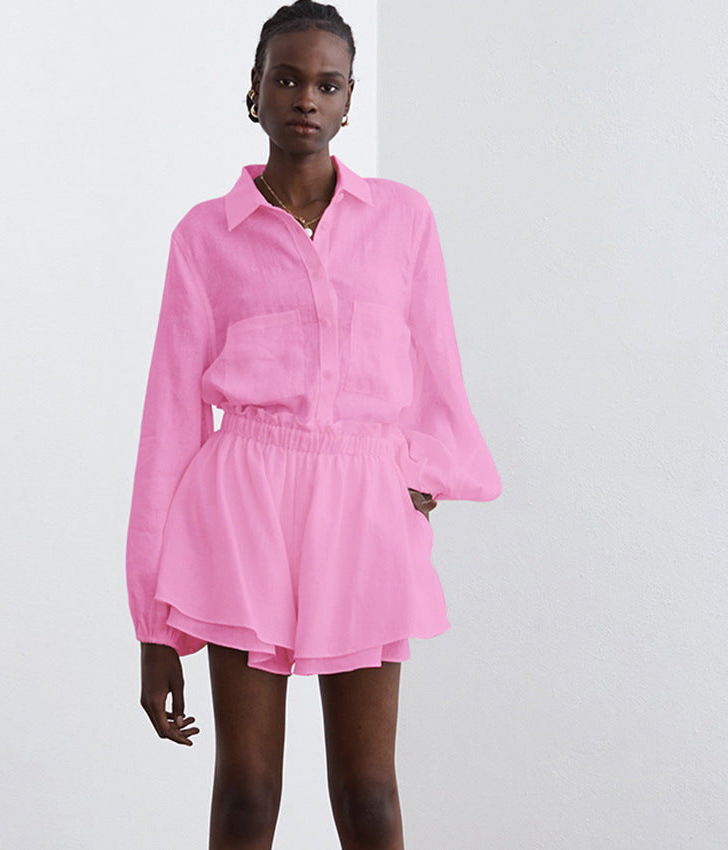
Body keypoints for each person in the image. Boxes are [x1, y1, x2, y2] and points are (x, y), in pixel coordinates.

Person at [125, 1, 502, 846]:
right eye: (287, 79)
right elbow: (168, 421)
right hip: (242, 508)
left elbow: (436, 363)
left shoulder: (403, 220)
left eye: (328, 85)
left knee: (369, 793)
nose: (306, 98)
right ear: (253, 92)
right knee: (247, 790)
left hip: (365, 507)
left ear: (350, 99)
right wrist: (154, 629)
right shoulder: (204, 235)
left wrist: (422, 473)